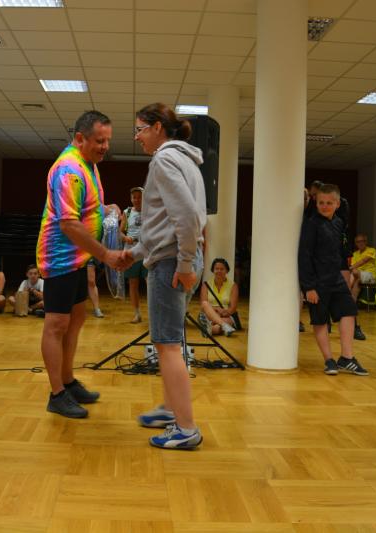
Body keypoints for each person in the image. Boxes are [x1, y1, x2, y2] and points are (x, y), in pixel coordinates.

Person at [36, 110, 127, 419]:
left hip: (79, 257)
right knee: (57, 325)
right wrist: (106, 255)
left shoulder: (88, 164)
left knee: (76, 319)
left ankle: (68, 380)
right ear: (79, 138)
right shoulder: (68, 170)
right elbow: (69, 224)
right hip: (60, 258)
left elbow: (87, 207)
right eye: (100, 141)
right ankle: (56, 394)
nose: (105, 147)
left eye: (107, 141)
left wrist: (106, 208)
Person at [128, 102, 206, 450]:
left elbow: (186, 217)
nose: (137, 136)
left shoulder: (164, 160)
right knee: (169, 342)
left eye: (140, 129)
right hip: (178, 257)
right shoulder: (187, 160)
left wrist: (184, 264)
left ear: (157, 127)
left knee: (168, 344)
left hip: (173, 262)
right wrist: (133, 254)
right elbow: (163, 222)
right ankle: (169, 408)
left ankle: (186, 428)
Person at [298, 183, 369, 377]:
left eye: (329, 203)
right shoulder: (311, 224)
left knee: (349, 312)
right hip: (317, 282)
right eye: (321, 202)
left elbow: (338, 253)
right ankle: (329, 360)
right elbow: (304, 256)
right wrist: (308, 287)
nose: (325, 206)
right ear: (316, 203)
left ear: (337, 204)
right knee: (320, 320)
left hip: (336, 279)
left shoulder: (338, 223)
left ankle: (347, 357)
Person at [120, 186, 146, 323]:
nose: (136, 200)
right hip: (131, 252)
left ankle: (155, 314)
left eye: (139, 197)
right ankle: (137, 314)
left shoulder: (151, 212)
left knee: (151, 283)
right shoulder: (127, 212)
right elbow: (120, 232)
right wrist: (125, 238)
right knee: (133, 283)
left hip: (147, 252)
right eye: (134, 197)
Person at [198, 257, 238, 337]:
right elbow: (203, 306)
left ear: (226, 271)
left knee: (218, 326)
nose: (219, 271)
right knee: (205, 303)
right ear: (213, 270)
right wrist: (216, 310)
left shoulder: (233, 286)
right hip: (209, 314)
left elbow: (233, 308)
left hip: (225, 315)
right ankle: (224, 325)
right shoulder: (206, 285)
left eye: (222, 269)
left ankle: (210, 329)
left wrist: (224, 312)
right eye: (216, 269)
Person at [348, 233, 376, 340]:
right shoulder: (355, 254)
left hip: (370, 275)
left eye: (362, 241)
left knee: (353, 272)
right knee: (355, 277)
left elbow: (363, 261)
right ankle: (352, 300)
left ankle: (347, 291)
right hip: (358, 277)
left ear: (366, 241)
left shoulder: (372, 250)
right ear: (355, 243)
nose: (360, 243)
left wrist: (351, 268)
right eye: (358, 242)